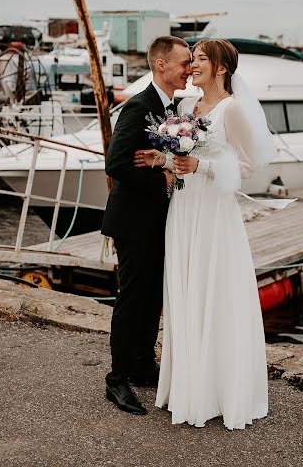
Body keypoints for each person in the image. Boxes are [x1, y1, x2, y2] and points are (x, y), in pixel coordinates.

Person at [135, 39, 279, 430]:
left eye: (200, 59)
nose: (192, 65)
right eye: (192, 58)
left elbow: (248, 167)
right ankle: (189, 385)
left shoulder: (232, 109)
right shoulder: (184, 108)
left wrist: (202, 166)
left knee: (215, 287)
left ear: (220, 68)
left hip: (214, 210)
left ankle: (218, 389)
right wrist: (163, 159)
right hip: (184, 207)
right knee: (186, 287)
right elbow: (182, 159)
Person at [101, 35, 191, 416]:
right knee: (134, 298)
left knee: (153, 298)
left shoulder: (175, 108)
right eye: (184, 62)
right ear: (161, 65)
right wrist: (164, 180)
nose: (189, 68)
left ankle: (142, 366)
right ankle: (117, 379)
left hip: (160, 219)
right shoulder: (139, 107)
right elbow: (117, 164)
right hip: (134, 220)